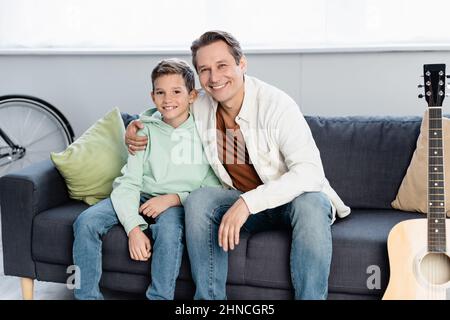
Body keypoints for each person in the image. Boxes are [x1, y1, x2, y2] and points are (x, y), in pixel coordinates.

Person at [126, 31, 350, 300]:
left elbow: (309, 172)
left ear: (241, 64)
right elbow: (170, 106)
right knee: (198, 200)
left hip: (290, 201)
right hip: (239, 198)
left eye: (222, 66)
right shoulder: (203, 104)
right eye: (205, 70)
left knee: (313, 203)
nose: (214, 78)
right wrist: (137, 124)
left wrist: (248, 203)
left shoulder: (276, 105)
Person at [72, 58, 221, 300]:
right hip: (139, 193)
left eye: (176, 91)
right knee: (85, 222)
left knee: (170, 231)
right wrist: (133, 229)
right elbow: (130, 182)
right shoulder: (143, 130)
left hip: (180, 201)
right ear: (152, 97)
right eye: (160, 92)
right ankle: (86, 296)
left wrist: (174, 198)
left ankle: (159, 297)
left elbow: (213, 185)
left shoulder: (206, 131)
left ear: (192, 96)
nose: (168, 99)